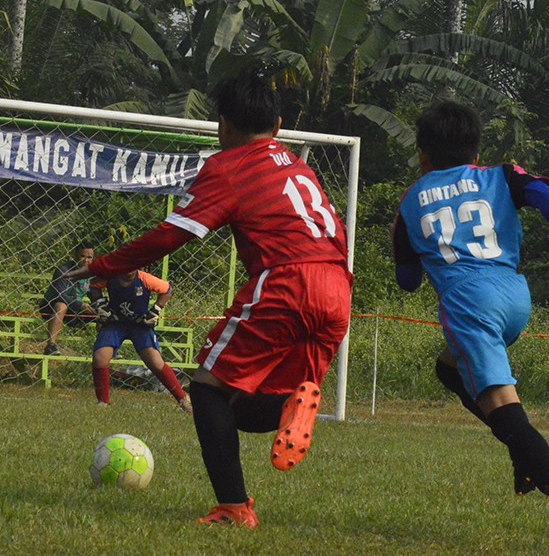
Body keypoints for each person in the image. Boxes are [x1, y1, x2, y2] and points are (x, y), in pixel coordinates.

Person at [64, 69, 352, 529]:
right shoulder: (299, 167)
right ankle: (290, 405)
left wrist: (105, 265)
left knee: (206, 389)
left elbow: (169, 236)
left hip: (286, 282)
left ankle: (233, 508)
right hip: (337, 285)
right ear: (278, 125)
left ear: (223, 124)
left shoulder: (228, 167)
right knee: (248, 401)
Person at [392, 101, 549, 552]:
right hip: (515, 297)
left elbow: (407, 281)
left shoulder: (410, 201)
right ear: (476, 151)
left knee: (506, 411)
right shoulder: (502, 175)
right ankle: (521, 450)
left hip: (470, 305)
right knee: (449, 369)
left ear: (422, 156)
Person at [87, 269, 190, 413]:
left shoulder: (144, 279)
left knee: (155, 361)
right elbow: (92, 284)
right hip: (115, 322)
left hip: (140, 324)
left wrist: (155, 310)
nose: (128, 271)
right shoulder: (111, 276)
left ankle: (182, 399)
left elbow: (167, 289)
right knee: (100, 357)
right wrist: (100, 304)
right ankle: (103, 402)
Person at [39, 243, 96, 356]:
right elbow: (60, 295)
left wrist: (96, 306)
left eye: (89, 257)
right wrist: (81, 306)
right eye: (82, 256)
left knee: (103, 312)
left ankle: (106, 348)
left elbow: (93, 293)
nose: (86, 260)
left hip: (75, 308)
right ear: (74, 256)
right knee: (61, 305)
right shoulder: (63, 270)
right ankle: (50, 346)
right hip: (51, 306)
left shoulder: (91, 274)